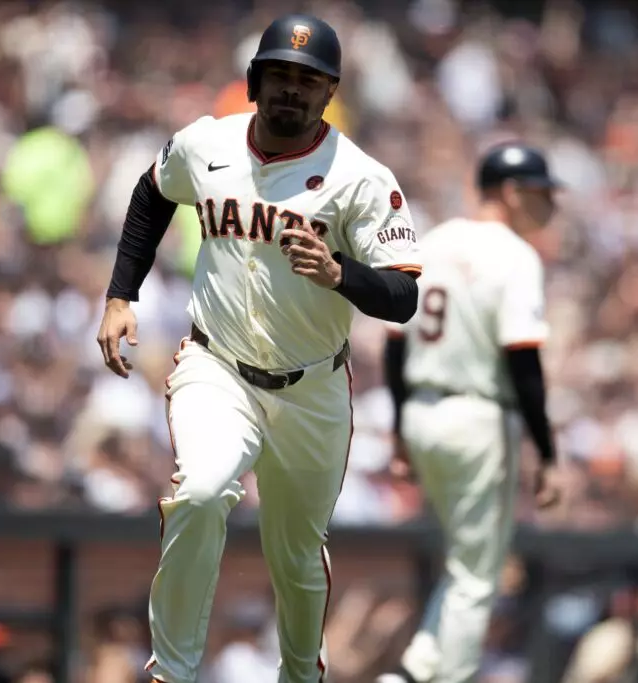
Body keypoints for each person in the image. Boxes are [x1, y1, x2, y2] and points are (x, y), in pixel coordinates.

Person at [94, 13, 422, 683]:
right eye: (279, 76)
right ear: (254, 81)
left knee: (297, 559)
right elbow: (153, 193)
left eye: (308, 81)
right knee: (204, 490)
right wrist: (121, 293)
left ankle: (302, 674)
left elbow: (403, 295)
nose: (291, 92)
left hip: (311, 388)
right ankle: (175, 670)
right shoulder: (206, 144)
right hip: (217, 365)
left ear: (329, 93)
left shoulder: (359, 177)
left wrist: (340, 274)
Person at [377, 143, 563, 683]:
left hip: (421, 411)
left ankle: (411, 673)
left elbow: (394, 345)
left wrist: (398, 427)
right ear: (510, 192)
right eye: (541, 192)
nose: (550, 203)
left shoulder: (433, 241)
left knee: (462, 568)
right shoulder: (516, 255)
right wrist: (548, 453)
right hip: (478, 419)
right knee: (476, 577)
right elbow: (523, 362)